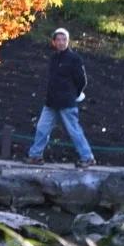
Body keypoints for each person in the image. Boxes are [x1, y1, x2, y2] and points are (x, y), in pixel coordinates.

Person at [25, 27, 96, 168]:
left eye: (64, 39)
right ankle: (35, 156)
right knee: (41, 128)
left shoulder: (75, 58)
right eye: (58, 39)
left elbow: (82, 80)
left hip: (67, 102)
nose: (61, 42)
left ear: (68, 41)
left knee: (74, 130)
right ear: (54, 42)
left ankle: (87, 157)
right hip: (51, 101)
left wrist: (74, 94)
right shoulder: (53, 58)